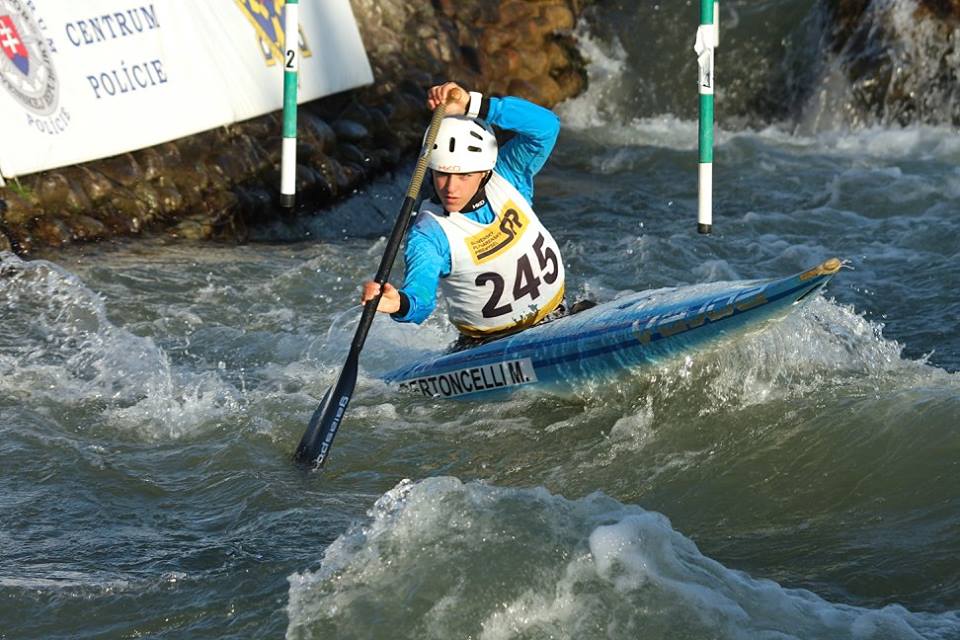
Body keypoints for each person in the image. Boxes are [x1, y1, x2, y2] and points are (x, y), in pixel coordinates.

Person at [361, 81, 566, 347]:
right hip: (489, 347)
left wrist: (473, 105)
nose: (451, 188)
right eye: (442, 174)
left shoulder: (509, 175)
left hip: (558, 317)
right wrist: (399, 303)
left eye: (464, 176)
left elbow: (547, 126)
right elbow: (421, 301)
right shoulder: (430, 234)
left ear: (484, 172)